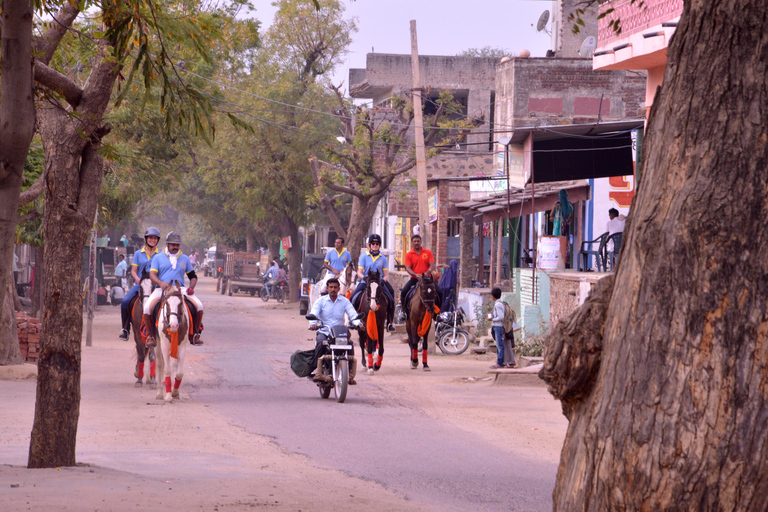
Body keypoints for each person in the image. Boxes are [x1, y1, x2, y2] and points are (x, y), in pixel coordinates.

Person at [144, 231, 204, 347]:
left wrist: (191, 287)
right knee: (147, 308)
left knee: (199, 305)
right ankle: (151, 336)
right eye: (173, 245)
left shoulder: (185, 259)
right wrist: (160, 283)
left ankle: (195, 334)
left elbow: (193, 276)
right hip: (161, 289)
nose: (175, 247)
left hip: (180, 289)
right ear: (167, 244)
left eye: (177, 245)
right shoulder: (158, 258)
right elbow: (152, 275)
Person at [308, 278, 362, 384]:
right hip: (325, 332)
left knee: (350, 344)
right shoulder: (321, 301)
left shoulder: (345, 301)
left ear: (339, 289)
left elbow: (353, 314)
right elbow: (314, 313)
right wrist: (313, 324)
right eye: (331, 287)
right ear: (327, 289)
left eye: (335, 287)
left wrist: (358, 323)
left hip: (339, 333)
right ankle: (317, 370)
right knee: (320, 343)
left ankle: (350, 373)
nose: (333, 289)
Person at [118, 227, 160, 341]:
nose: (152, 240)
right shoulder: (138, 253)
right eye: (150, 238)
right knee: (125, 302)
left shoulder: (161, 254)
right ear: (146, 239)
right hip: (139, 285)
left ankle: (164, 328)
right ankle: (125, 329)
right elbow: (133, 270)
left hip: (155, 287)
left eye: (155, 238)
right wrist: (137, 279)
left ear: (157, 240)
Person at [352, 234, 396, 332]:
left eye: (377, 244)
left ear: (379, 245)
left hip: (378, 282)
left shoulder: (383, 258)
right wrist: (365, 278)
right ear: (370, 245)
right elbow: (359, 272)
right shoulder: (364, 256)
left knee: (391, 299)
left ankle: (389, 322)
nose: (375, 245)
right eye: (373, 244)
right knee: (353, 298)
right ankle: (354, 320)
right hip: (366, 281)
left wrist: (383, 281)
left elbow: (385, 275)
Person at [398, 234, 436, 320]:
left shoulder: (428, 252)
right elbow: (407, 268)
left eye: (418, 241)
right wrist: (415, 274)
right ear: (412, 243)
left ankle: (438, 314)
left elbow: (432, 265)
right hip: (415, 279)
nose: (416, 243)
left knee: (439, 292)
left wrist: (427, 273)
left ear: (421, 242)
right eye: (414, 241)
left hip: (427, 280)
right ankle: (404, 313)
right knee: (403, 292)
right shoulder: (409, 254)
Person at [489, 287, 515, 369]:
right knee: (505, 344)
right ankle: (509, 362)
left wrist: (492, 319)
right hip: (502, 326)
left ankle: (500, 363)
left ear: (493, 296)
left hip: (499, 326)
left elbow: (500, 317)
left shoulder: (498, 304)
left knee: (500, 345)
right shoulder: (502, 303)